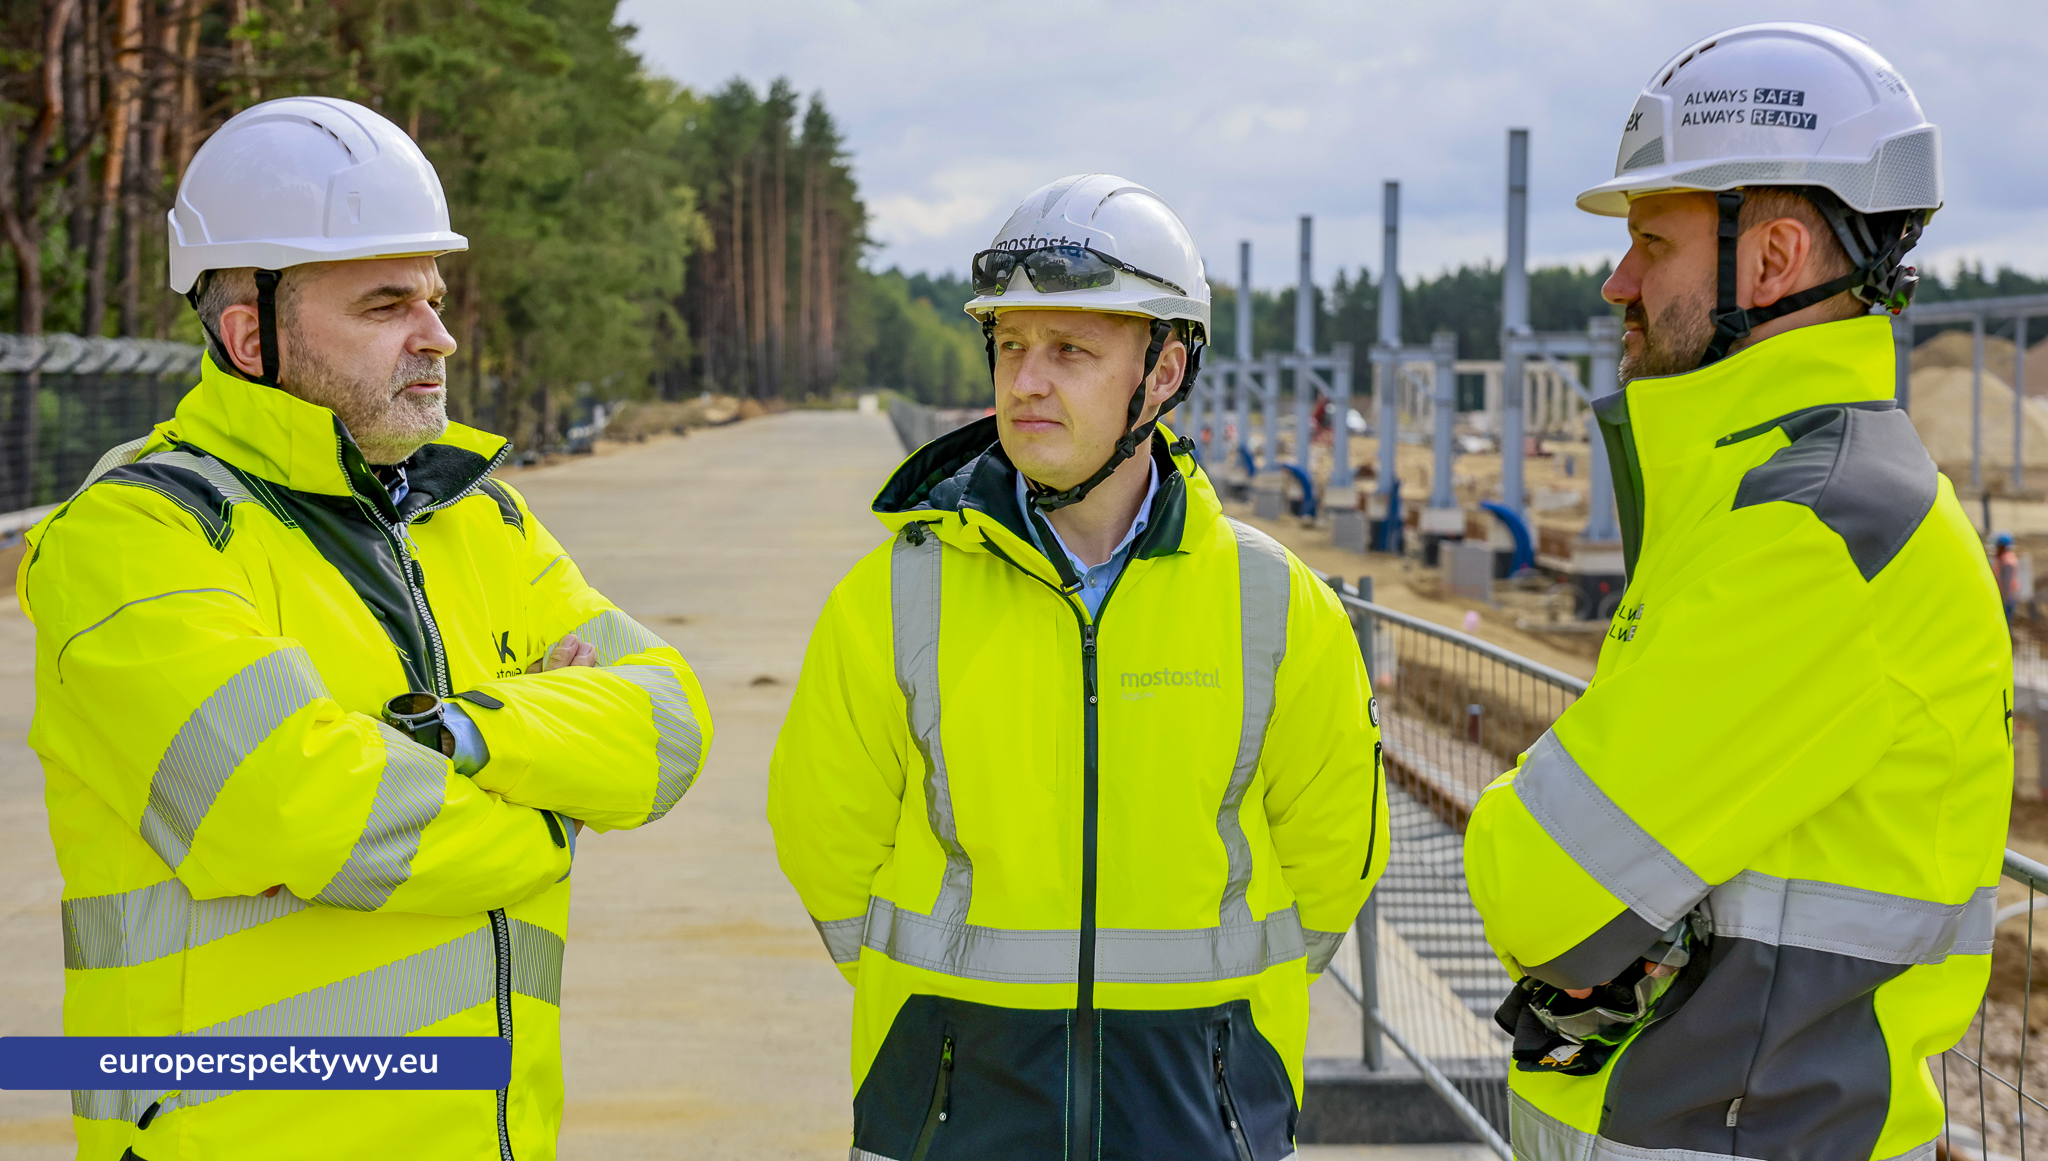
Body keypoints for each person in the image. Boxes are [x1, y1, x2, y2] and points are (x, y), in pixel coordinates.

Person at [23, 96, 713, 1161]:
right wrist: (551, 816)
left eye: (432, 299)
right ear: (252, 333)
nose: (436, 335)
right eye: (385, 304)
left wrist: (457, 741)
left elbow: (667, 724)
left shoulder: (476, 516)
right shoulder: (137, 537)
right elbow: (294, 807)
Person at [1463, 23, 2011, 1160]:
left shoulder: (1817, 532)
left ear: (1765, 264)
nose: (1616, 280)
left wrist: (1524, 802)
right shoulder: (1759, 493)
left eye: (1649, 242)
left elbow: (1536, 890)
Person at [768, 174, 1386, 1161]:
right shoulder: (896, 594)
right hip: (954, 1103)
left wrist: (1227, 1044)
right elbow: (819, 833)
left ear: (1165, 371)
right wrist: (939, 1025)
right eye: (1010, 346)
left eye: (1068, 350)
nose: (1023, 382)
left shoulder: (1273, 605)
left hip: (1196, 1103)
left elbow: (1334, 857)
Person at [1995, 532, 2024, 627]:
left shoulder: (2007, 562)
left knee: (2005, 623)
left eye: (1999, 545)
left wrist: (2004, 598)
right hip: (2007, 596)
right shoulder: (2007, 558)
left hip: (2006, 597)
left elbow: (2006, 582)